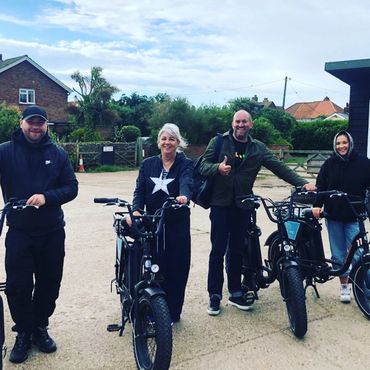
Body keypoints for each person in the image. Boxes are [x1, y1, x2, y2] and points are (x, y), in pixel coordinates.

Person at [199, 109, 315, 316]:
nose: (240, 125)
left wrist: (303, 183)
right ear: (232, 123)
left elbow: (280, 167)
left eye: (244, 122)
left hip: (243, 205)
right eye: (237, 121)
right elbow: (202, 166)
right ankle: (214, 295)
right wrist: (217, 168)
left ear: (251, 124)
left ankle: (235, 292)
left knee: (236, 250)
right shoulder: (218, 142)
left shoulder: (257, 148)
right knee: (217, 251)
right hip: (220, 205)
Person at [0, 105, 78, 363]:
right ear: (22, 122)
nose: (35, 127)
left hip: (52, 232)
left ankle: (39, 327)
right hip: (20, 233)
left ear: (46, 125)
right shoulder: (5, 152)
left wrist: (47, 197)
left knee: (49, 283)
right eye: (31, 122)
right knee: (17, 286)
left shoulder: (57, 153)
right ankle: (23, 331)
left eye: (40, 123)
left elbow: (71, 187)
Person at [126, 123, 193, 323]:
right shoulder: (148, 164)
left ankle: (172, 313)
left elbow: (187, 182)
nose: (167, 142)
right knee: (152, 264)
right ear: (158, 142)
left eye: (172, 139)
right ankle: (150, 306)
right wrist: (136, 210)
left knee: (177, 266)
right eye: (164, 138)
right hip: (152, 221)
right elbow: (139, 190)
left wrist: (184, 196)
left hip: (176, 222)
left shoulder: (185, 164)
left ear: (178, 142)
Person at [312, 130, 370, 303]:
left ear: (350, 143)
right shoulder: (329, 164)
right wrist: (317, 205)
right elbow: (321, 186)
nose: (341, 146)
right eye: (338, 143)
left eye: (344, 142)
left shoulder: (363, 163)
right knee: (338, 255)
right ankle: (344, 288)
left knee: (359, 253)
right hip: (334, 215)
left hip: (355, 216)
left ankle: (362, 286)